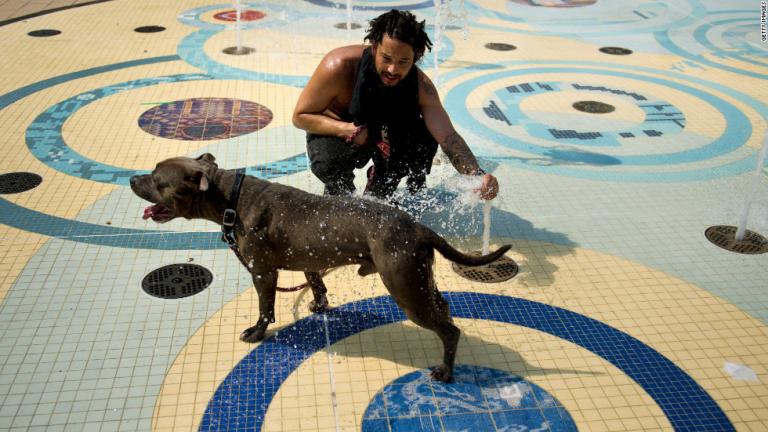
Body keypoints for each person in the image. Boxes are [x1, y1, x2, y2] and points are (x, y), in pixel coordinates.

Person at [292, 9, 499, 202]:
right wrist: (345, 129)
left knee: (421, 144)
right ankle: (339, 200)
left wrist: (477, 176)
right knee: (332, 167)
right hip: (338, 131)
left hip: (382, 132)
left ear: (416, 57)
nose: (392, 69)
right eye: (386, 58)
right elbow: (300, 116)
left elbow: (448, 138)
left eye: (403, 62)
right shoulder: (339, 66)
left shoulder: (421, 87)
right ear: (374, 47)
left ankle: (380, 185)